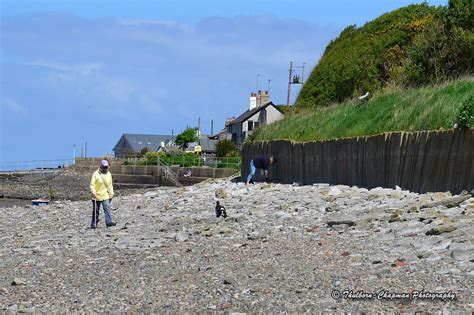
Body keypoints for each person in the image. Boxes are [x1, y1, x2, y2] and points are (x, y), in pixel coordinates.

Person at [90, 159, 116, 228]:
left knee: (107, 208)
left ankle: (108, 222)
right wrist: (93, 192)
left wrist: (111, 193)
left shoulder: (109, 174)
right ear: (101, 166)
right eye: (104, 167)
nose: (105, 169)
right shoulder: (95, 174)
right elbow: (92, 185)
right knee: (96, 211)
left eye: (106, 167)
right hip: (96, 195)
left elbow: (110, 185)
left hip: (105, 195)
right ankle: (94, 223)